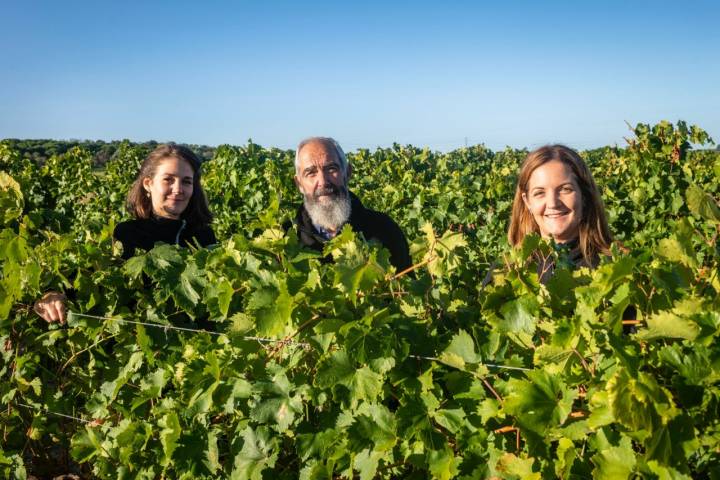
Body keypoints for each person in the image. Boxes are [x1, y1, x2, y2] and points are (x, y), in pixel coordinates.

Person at [34, 143, 217, 323]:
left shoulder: (204, 236)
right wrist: (52, 295)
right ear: (148, 184)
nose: (178, 189)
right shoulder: (126, 234)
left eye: (186, 181)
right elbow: (86, 280)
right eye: (168, 179)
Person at [485, 144, 613, 285]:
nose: (552, 203)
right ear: (527, 201)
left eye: (565, 189)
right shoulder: (505, 273)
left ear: (584, 196)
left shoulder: (613, 270)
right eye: (539, 193)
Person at [288, 137, 412, 272]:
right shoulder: (286, 241)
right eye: (311, 173)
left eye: (331, 169)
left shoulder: (384, 230)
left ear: (347, 173)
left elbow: (406, 289)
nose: (322, 181)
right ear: (299, 184)